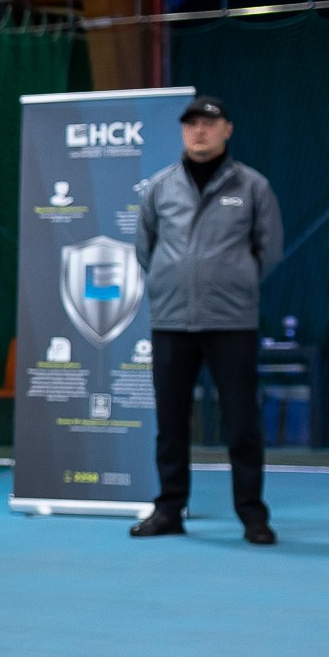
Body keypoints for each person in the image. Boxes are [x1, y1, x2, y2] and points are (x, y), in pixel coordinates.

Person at [131, 95, 284, 544]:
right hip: (172, 321)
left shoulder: (253, 186)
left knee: (242, 424)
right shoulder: (159, 186)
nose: (199, 130)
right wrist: (168, 283)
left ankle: (252, 515)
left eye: (209, 123)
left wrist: (234, 283)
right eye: (191, 123)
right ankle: (169, 510)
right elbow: (145, 248)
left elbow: (268, 249)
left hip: (231, 323)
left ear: (227, 130)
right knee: (171, 424)